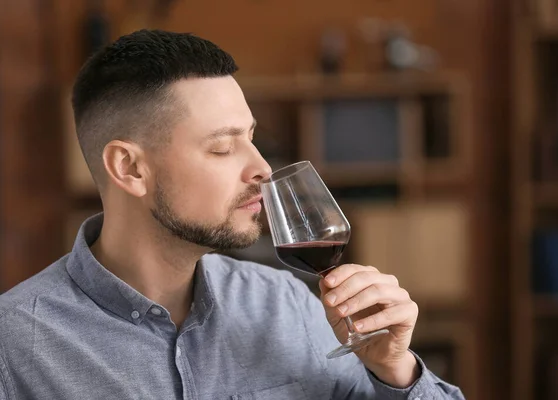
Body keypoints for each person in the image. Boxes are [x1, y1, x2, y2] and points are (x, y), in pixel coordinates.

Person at [0, 30, 464, 400]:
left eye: (251, 136)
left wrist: (397, 371)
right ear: (130, 168)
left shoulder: (289, 305)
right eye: (222, 147)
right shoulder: (15, 344)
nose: (262, 168)